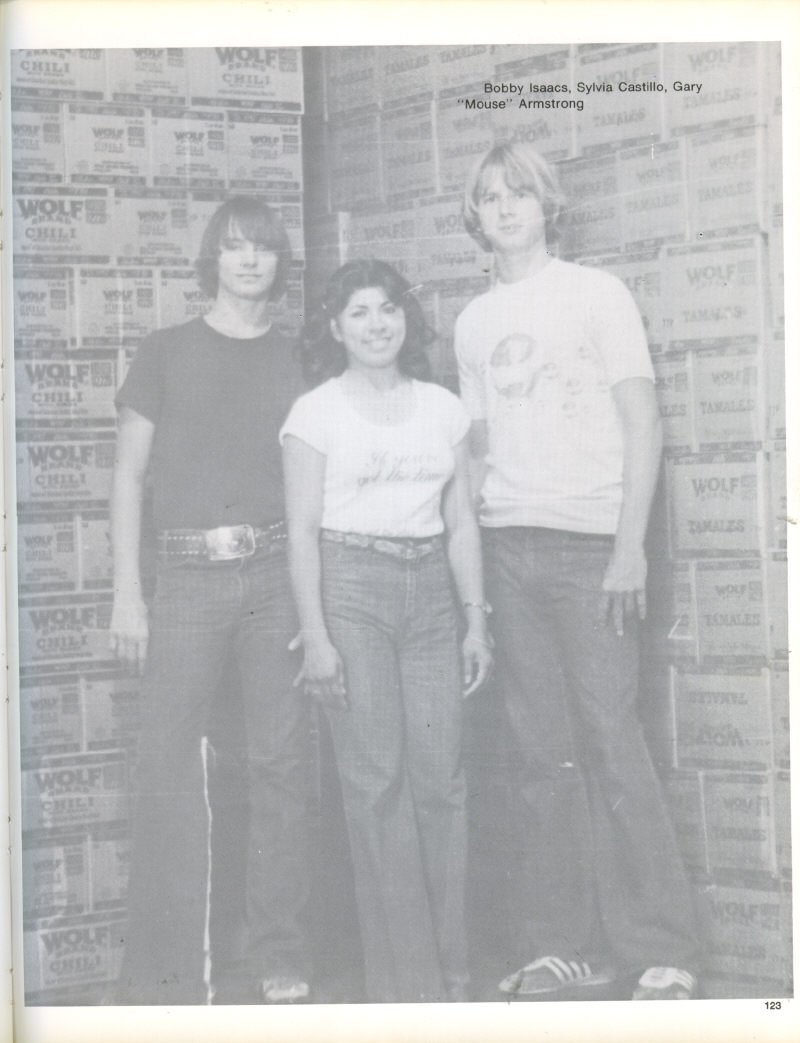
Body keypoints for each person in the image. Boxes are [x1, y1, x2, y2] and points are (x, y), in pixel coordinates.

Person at [455, 143, 700, 1001]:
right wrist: (472, 576)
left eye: (519, 194)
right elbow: (477, 451)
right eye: (491, 197)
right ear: (476, 216)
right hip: (508, 547)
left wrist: (630, 546)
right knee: (540, 755)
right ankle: (562, 945)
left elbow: (644, 422)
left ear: (547, 206)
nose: (506, 208)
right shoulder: (474, 321)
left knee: (611, 739)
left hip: (592, 544)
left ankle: (663, 947)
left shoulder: (597, 294)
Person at [110, 196, 312, 1005]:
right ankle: (162, 968)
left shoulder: (300, 356)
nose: (249, 261)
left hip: (275, 576)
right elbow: (128, 477)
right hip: (186, 575)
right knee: (166, 762)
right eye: (233, 248)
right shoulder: (165, 350)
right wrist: (129, 593)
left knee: (280, 763)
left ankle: (278, 953)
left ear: (279, 261)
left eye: (262, 247)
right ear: (212, 260)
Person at [281, 259, 493, 1002]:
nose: (377, 324)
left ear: (408, 318)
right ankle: (409, 986)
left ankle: (453, 973)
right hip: (352, 587)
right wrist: (316, 635)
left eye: (389, 309)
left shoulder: (442, 408)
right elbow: (302, 532)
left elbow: (461, 524)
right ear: (335, 329)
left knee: (443, 781)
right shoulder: (315, 413)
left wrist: (476, 621)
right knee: (376, 785)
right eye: (359, 312)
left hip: (431, 592)